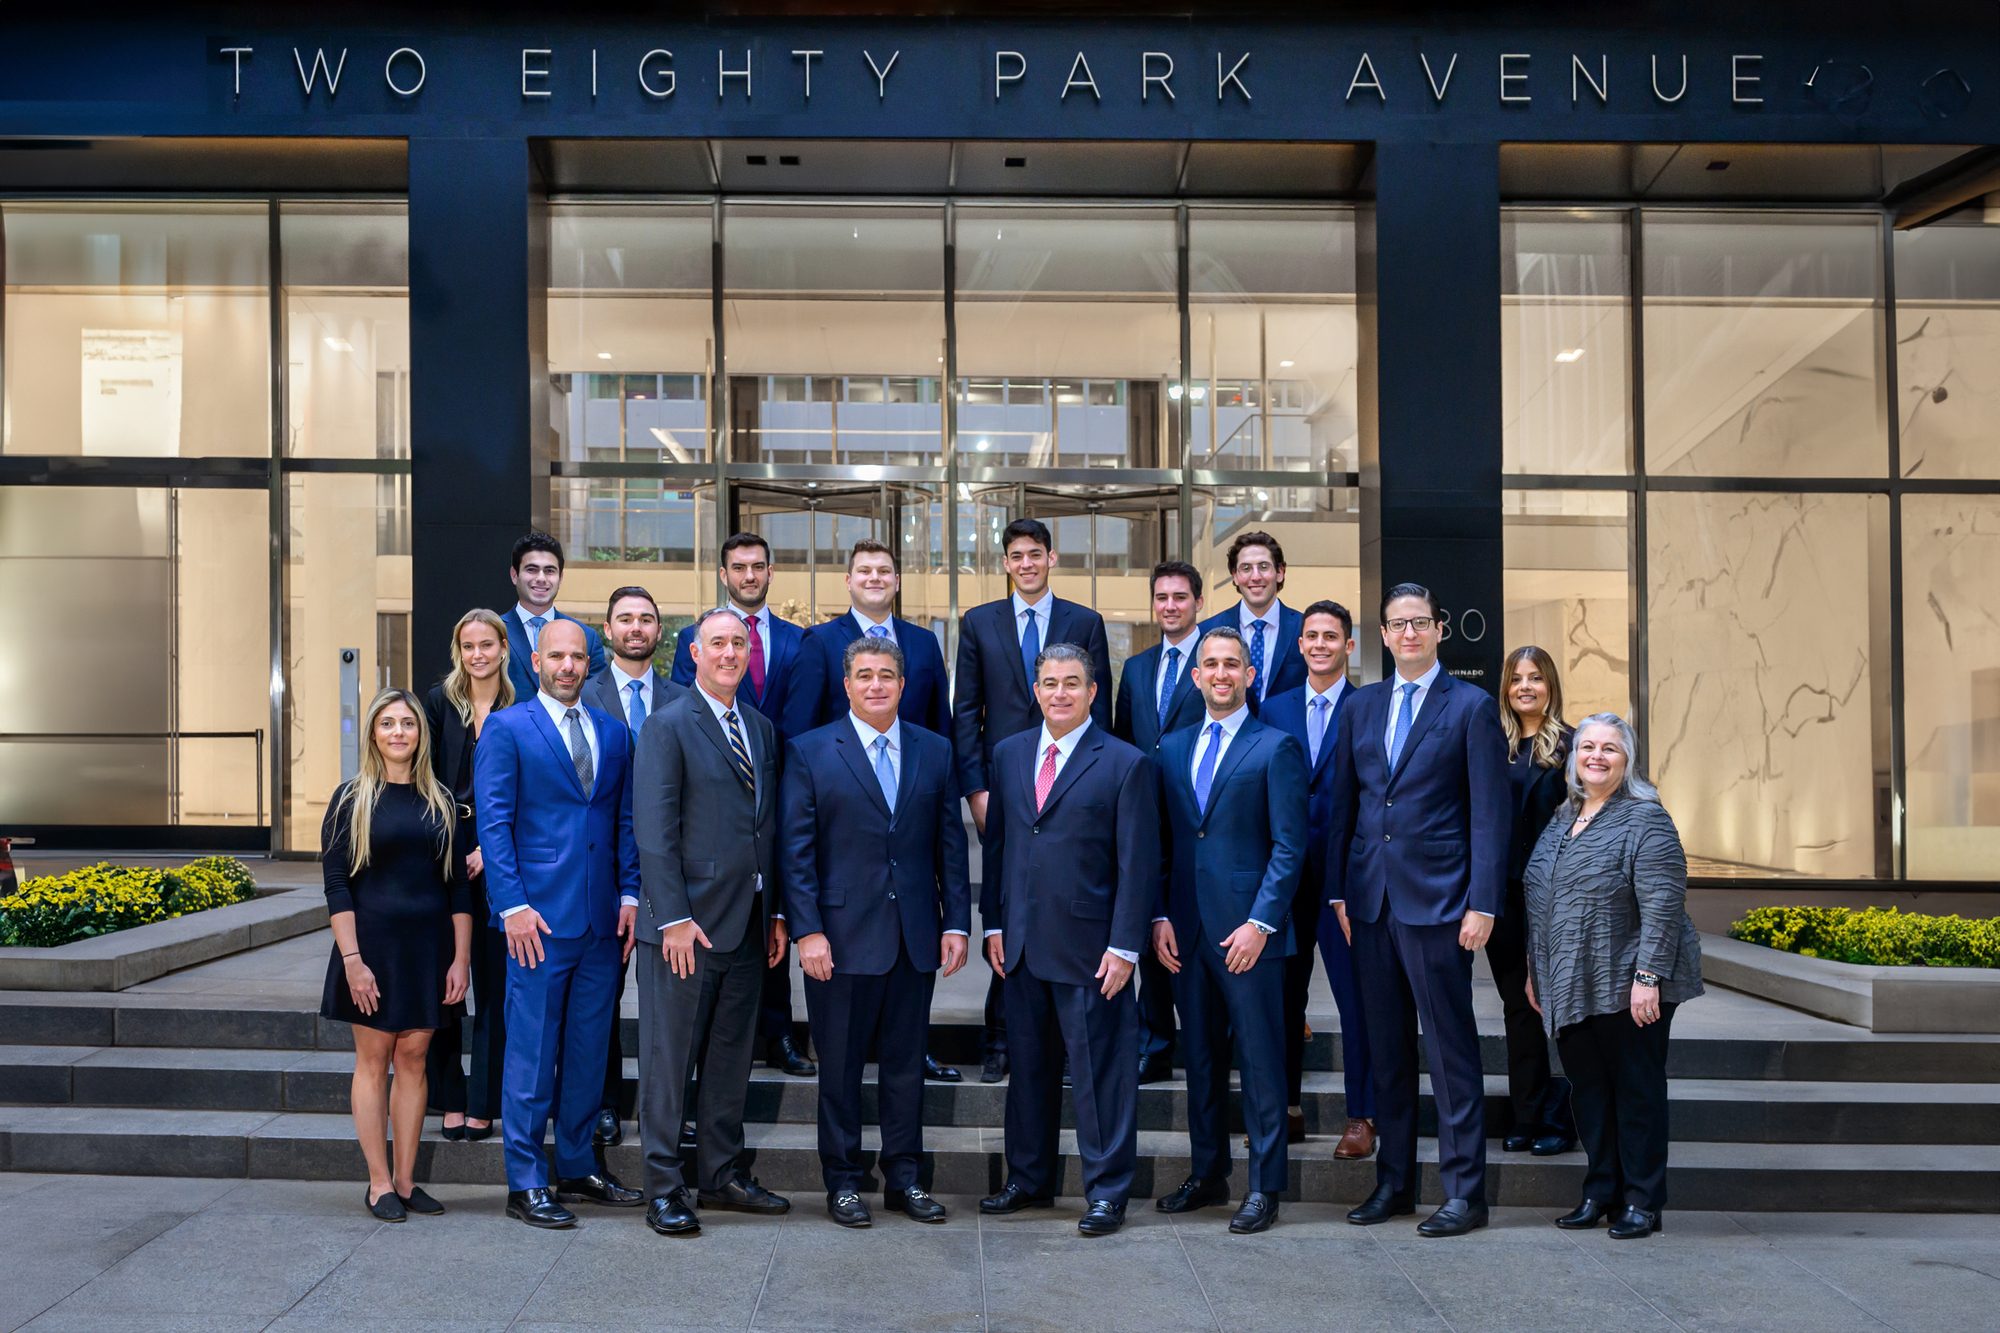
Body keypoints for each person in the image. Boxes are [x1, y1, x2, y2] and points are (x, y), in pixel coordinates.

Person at [1328, 582, 1509, 1238]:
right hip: (1372, 904)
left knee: (1452, 1050)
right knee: (1388, 1052)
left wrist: (1482, 901)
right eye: (1397, 624)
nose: (1408, 633)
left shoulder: (1470, 707)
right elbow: (1346, 807)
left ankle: (1465, 1193)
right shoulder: (1362, 707)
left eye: (1420, 623)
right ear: (1382, 633)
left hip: (1439, 906)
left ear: (1439, 630)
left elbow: (1490, 813)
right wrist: (1341, 892)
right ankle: (1395, 1182)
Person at [781, 637, 971, 1228]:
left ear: (903, 683)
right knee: (838, 1068)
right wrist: (807, 931)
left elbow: (950, 846)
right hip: (837, 941)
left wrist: (957, 922)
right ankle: (842, 1180)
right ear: (847, 684)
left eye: (886, 675)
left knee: (905, 1066)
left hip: (914, 937)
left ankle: (905, 1178)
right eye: (864, 675)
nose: (876, 685)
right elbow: (796, 851)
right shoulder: (811, 751)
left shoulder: (935, 751)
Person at [977, 643, 1158, 1238]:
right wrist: (996, 924)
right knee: (1028, 1069)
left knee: (1101, 1074)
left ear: (1092, 692)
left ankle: (1107, 1191)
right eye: (1050, 683)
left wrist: (1125, 945)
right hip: (1023, 945)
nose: (1059, 693)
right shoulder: (1008, 754)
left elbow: (1138, 865)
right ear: (1036, 690)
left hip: (1091, 950)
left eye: (1072, 683)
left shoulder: (1124, 762)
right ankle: (1026, 1178)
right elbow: (1000, 846)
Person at [475, 619, 644, 1229]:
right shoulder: (506, 728)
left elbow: (624, 823)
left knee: (585, 1051)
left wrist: (630, 893)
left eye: (577, 657)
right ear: (537, 660)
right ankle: (525, 1180)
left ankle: (576, 1165)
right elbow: (493, 825)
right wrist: (512, 906)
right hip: (536, 923)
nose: (568, 666)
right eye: (557, 656)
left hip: (602, 923)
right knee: (530, 1051)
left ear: (588, 662)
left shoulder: (615, 733)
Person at [633, 608, 792, 1237]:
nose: (730, 652)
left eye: (739, 643)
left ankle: (722, 1174)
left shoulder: (760, 727)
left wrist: (776, 910)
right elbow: (654, 831)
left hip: (749, 923)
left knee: (730, 1061)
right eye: (717, 643)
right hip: (685, 930)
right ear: (693, 652)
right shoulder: (666, 725)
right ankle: (665, 1188)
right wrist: (671, 916)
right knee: (669, 1065)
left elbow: (767, 829)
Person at [778, 539, 962, 1082]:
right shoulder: (820, 642)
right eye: (865, 570)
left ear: (897, 580)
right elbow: (801, 727)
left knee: (905, 1049)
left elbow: (937, 728)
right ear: (848, 580)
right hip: (841, 832)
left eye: (885, 570)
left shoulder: (924, 645)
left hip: (907, 817)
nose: (875, 577)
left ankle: (915, 1055)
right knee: (843, 1059)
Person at [1152, 627, 1307, 1235]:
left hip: (1251, 937)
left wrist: (1260, 923)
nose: (1220, 674)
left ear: (1250, 675)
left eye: (1231, 665)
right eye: (1209, 664)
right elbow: (1165, 843)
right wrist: (1160, 915)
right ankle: (1208, 1172)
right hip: (1187, 933)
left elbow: (1290, 846)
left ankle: (1265, 1186)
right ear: (1196, 677)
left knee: (1263, 1061)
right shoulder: (1171, 747)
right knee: (1201, 1059)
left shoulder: (1277, 746)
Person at [1525, 713, 1702, 1240]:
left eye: (1610, 749)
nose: (1596, 757)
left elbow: (1664, 903)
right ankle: (1600, 1191)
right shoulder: (1564, 815)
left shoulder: (1645, 818)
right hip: (1571, 980)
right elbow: (1542, 899)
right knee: (1590, 1092)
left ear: (1627, 761)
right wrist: (1538, 972)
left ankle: (1643, 1200)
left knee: (1636, 1091)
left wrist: (1648, 976)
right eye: (1587, 748)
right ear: (1574, 757)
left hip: (1628, 982)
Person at [953, 518, 1113, 1083]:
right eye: (1016, 555)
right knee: (1007, 902)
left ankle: (1068, 1043)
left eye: (1036, 554)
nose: (1026, 563)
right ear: (1005, 562)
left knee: (1059, 901)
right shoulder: (978, 623)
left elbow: (1103, 713)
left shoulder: (1085, 622)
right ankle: (1000, 1040)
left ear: (1052, 558)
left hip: (1069, 788)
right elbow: (965, 714)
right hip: (1006, 789)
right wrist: (976, 790)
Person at [321, 687, 471, 1222]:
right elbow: (337, 886)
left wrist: (460, 960)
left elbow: (457, 889)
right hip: (373, 950)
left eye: (408, 723)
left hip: (429, 950)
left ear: (420, 734)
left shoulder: (443, 803)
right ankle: (378, 1183)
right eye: (388, 724)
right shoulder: (350, 800)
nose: (399, 732)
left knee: (413, 1060)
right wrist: (352, 960)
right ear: (373, 734)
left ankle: (406, 1181)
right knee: (375, 1061)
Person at [669, 532, 814, 1079]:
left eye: (757, 566)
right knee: (728, 920)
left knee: (770, 911)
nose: (748, 575)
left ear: (770, 573)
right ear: (724, 574)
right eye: (738, 567)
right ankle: (718, 1041)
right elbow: (693, 714)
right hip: (715, 801)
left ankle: (777, 1033)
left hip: (780, 792)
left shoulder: (803, 642)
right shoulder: (696, 638)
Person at [1259, 600, 1376, 1159]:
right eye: (1312, 636)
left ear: (1349, 646)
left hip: (1343, 882)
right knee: (1283, 996)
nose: (1321, 644)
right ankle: (1287, 1108)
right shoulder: (1272, 707)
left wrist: (1351, 882)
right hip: (1282, 877)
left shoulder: (1368, 708)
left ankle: (1361, 1116)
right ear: (1300, 645)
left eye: (1333, 636)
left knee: (1355, 999)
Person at [581, 586, 689, 1149]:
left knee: (669, 1003)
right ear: (607, 629)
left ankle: (664, 1108)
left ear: (659, 630)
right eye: (626, 619)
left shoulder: (683, 696)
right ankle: (605, 1103)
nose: (637, 628)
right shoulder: (585, 694)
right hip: (603, 868)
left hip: (671, 870)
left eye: (647, 619)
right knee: (604, 995)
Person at [1112, 560, 1207, 1084]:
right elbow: (1125, 739)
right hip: (1145, 811)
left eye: (1180, 597)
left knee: (1192, 926)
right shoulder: (1138, 667)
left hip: (1197, 810)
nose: (1170, 606)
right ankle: (1154, 1041)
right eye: (1162, 597)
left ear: (1197, 603)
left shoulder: (1217, 659)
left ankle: (1201, 1038)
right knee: (1147, 918)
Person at [422, 610, 514, 1145]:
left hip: (500, 861)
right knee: (445, 987)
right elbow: (425, 777)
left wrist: (491, 849)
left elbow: (528, 791)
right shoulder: (439, 703)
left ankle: (483, 1103)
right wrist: (456, 850)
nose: (478, 654)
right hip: (444, 855)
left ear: (503, 647)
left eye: (486, 644)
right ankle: (450, 1101)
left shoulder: (522, 706)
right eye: (468, 646)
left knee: (494, 986)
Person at [1491, 645, 1577, 1157]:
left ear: (1550, 686)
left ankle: (1560, 1116)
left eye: (1536, 678)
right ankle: (1527, 1113)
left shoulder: (1571, 747)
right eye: (1517, 678)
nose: (1525, 686)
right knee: (1517, 1009)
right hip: (1502, 899)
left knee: (1558, 1007)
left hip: (1554, 898)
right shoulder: (1491, 745)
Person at [1195, 531, 1304, 712]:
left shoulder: (1304, 629)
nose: (1255, 577)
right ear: (1235, 576)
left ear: (1280, 572)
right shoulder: (1207, 631)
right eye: (1246, 568)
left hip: (1289, 737)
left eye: (1263, 567)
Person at [502, 530, 607, 704]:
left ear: (560, 577)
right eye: (532, 570)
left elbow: (598, 700)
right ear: (515, 575)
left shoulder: (587, 636)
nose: (541, 578)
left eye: (549, 571)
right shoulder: (494, 633)